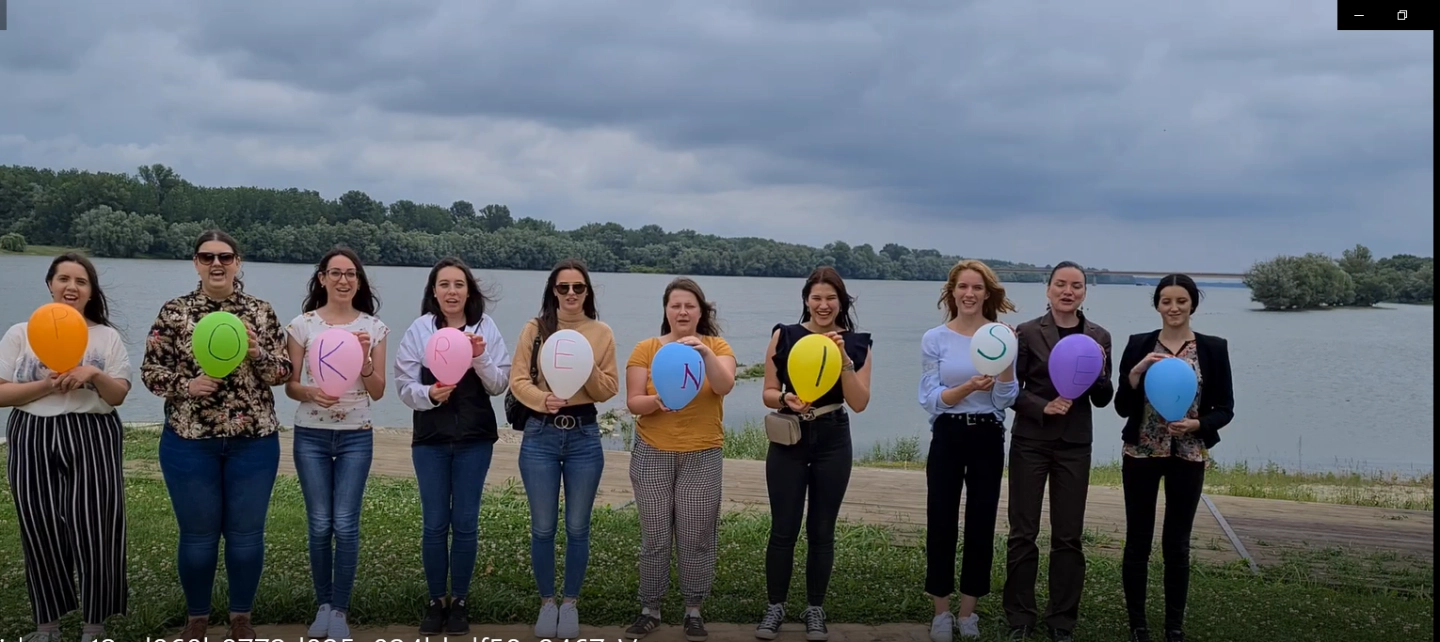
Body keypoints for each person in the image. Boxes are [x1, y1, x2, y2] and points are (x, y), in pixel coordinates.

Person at [140, 230, 293, 640]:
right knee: (198, 535)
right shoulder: (175, 312)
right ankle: (198, 618)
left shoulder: (260, 312)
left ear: (238, 262)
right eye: (207, 257)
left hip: (254, 442)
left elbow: (283, 373)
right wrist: (185, 385)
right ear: (196, 263)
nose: (217, 264)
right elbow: (150, 373)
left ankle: (241, 617)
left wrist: (259, 353)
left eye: (225, 257)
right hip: (189, 442)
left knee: (246, 535)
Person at [0, 253, 133, 642]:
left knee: (96, 524)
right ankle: (48, 625)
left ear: (91, 292)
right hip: (32, 433)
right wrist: (48, 384)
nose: (71, 287)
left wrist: (91, 373)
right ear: (50, 284)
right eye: (63, 279)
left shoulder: (106, 337)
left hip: (92, 432)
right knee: (38, 525)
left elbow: (120, 394)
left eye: (81, 281)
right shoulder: (20, 333)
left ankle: (95, 623)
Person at [393, 257, 511, 636]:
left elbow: (498, 385)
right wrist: (429, 393)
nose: (451, 291)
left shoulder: (485, 328)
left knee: (465, 523)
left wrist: (479, 356)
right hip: (429, 440)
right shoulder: (419, 329)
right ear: (433, 291)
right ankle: (435, 600)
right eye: (444, 285)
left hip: (475, 439)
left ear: (469, 290)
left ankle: (459, 600)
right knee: (434, 523)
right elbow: (403, 385)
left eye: (459, 284)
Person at [755, 266, 872, 642]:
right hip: (790, 436)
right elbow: (768, 392)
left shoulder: (857, 343)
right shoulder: (784, 335)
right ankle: (775, 607)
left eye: (831, 298)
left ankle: (815, 609)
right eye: (817, 298)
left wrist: (844, 364)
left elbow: (859, 403)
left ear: (842, 302)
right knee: (783, 528)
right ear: (806, 299)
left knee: (822, 530)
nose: (823, 305)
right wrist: (785, 398)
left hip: (833, 437)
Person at [1115, 274, 1234, 642]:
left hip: (1188, 453)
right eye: (1166, 301)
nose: (1174, 308)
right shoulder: (1139, 344)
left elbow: (1225, 408)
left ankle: (1174, 627)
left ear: (1193, 304)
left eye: (1181, 300)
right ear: (1157, 305)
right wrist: (1134, 375)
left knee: (1177, 542)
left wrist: (1198, 424)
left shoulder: (1213, 348)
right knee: (1138, 539)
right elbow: (1121, 407)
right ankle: (1138, 625)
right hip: (1142, 452)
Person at [1002, 261, 1113, 642]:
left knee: (1068, 535)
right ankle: (1020, 616)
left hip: (1075, 445)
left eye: (1076, 286)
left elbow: (1103, 398)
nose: (1068, 292)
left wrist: (1099, 370)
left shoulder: (1099, 335)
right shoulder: (1027, 333)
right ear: (1048, 289)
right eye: (1061, 285)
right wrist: (1041, 406)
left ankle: (1061, 620)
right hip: (1031, 441)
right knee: (1023, 531)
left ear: (1085, 292)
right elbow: (1010, 390)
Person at [508, 258, 619, 640]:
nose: (570, 294)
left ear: (587, 291)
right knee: (542, 527)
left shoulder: (601, 332)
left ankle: (570, 603)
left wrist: (584, 363)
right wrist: (542, 400)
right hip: (540, 433)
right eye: (563, 287)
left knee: (577, 527)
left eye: (578, 287)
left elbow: (608, 390)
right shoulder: (535, 329)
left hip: (584, 436)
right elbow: (518, 378)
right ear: (552, 291)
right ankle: (547, 602)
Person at [622, 278, 738, 641]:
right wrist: (658, 402)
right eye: (675, 305)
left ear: (701, 311)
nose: (682, 312)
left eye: (689, 305)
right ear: (666, 311)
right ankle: (650, 608)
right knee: (655, 535)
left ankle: (693, 609)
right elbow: (633, 402)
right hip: (653, 451)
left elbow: (724, 386)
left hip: (702, 453)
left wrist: (703, 352)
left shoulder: (718, 347)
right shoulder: (647, 348)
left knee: (697, 536)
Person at [283, 246, 389, 641]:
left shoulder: (374, 328)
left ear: (358, 282)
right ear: (322, 278)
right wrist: (310, 392)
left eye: (350, 274)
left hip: (355, 437)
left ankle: (340, 610)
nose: (343, 280)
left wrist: (363, 358)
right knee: (318, 524)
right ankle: (323, 605)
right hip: (310, 433)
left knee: (345, 525)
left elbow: (377, 391)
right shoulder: (302, 326)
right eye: (335, 273)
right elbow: (291, 385)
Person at [919, 259, 1019, 642]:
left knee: (981, 522)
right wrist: (967, 388)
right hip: (947, 434)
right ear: (952, 292)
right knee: (941, 520)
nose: (970, 294)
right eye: (963, 287)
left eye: (977, 288)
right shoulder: (935, 338)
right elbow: (930, 399)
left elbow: (1007, 398)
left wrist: (1006, 363)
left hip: (987, 436)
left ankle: (968, 613)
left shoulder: (1001, 335)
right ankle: (941, 611)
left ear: (988, 293)